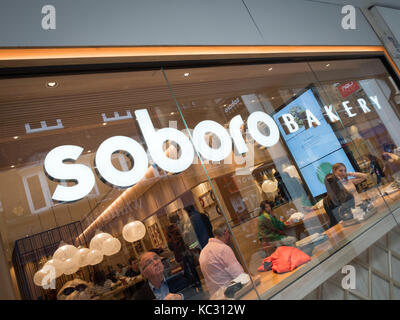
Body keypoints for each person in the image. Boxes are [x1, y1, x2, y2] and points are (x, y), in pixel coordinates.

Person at [199, 222, 245, 296]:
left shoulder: (203, 252)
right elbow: (240, 276)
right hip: (231, 295)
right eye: (231, 234)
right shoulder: (223, 249)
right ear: (226, 233)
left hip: (217, 296)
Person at [166, 223, 202, 290]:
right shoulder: (178, 235)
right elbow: (184, 242)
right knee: (191, 268)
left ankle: (193, 283)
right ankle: (196, 282)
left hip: (180, 256)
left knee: (187, 269)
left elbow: (170, 247)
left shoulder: (169, 238)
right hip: (185, 253)